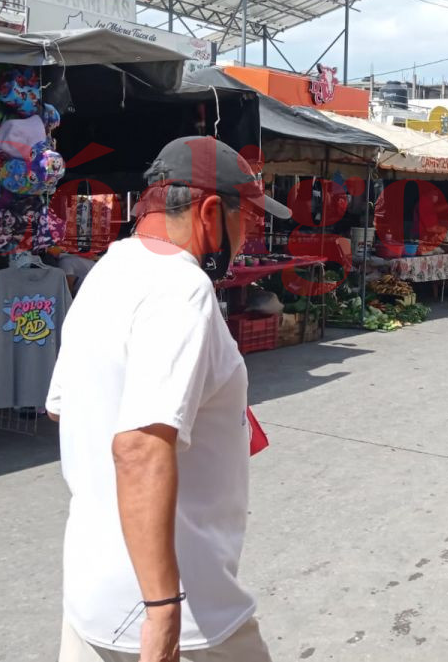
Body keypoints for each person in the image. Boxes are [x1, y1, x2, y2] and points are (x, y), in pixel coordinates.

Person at [47, 136, 283, 662]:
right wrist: (162, 612)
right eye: (247, 217)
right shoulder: (182, 288)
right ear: (210, 212)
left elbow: (63, 404)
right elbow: (136, 447)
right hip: (181, 608)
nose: (248, 234)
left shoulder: (107, 271)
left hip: (93, 592)